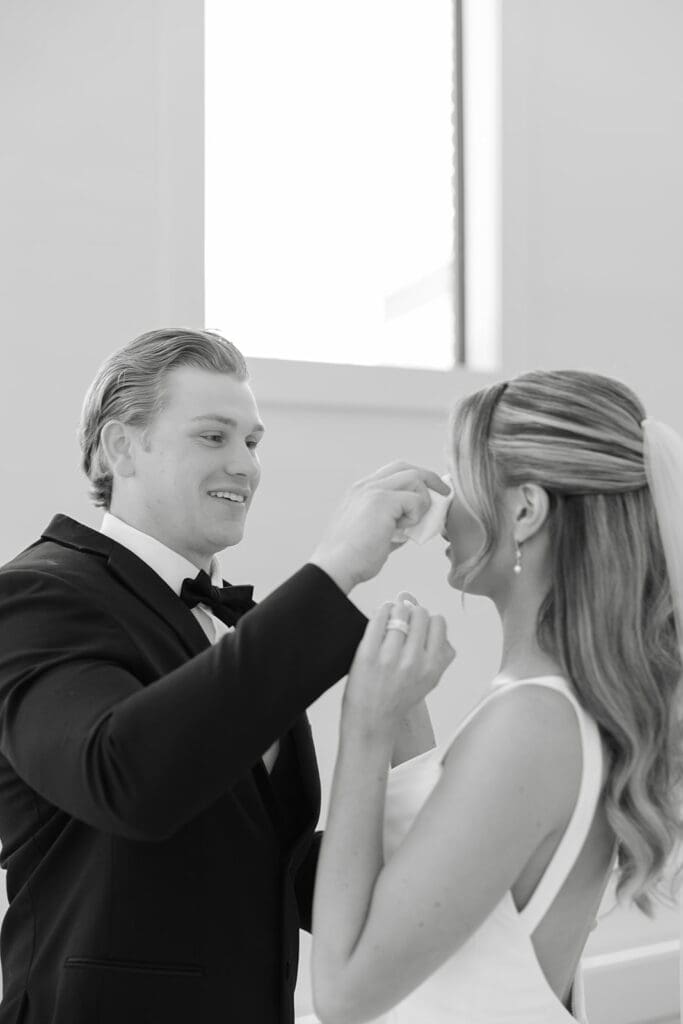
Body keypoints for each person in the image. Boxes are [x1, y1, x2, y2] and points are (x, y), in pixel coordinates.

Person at [0, 327, 452, 1024]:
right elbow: (127, 779)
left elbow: (271, 860)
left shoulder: (236, 626)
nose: (244, 465)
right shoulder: (33, 596)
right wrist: (336, 568)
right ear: (122, 447)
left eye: (252, 441)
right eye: (213, 437)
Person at [311, 370, 683, 1024]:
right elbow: (480, 921)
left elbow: (344, 996)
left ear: (522, 510)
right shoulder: (542, 706)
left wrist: (364, 726)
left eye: (458, 477)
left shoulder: (532, 724)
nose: (442, 505)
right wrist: (404, 727)